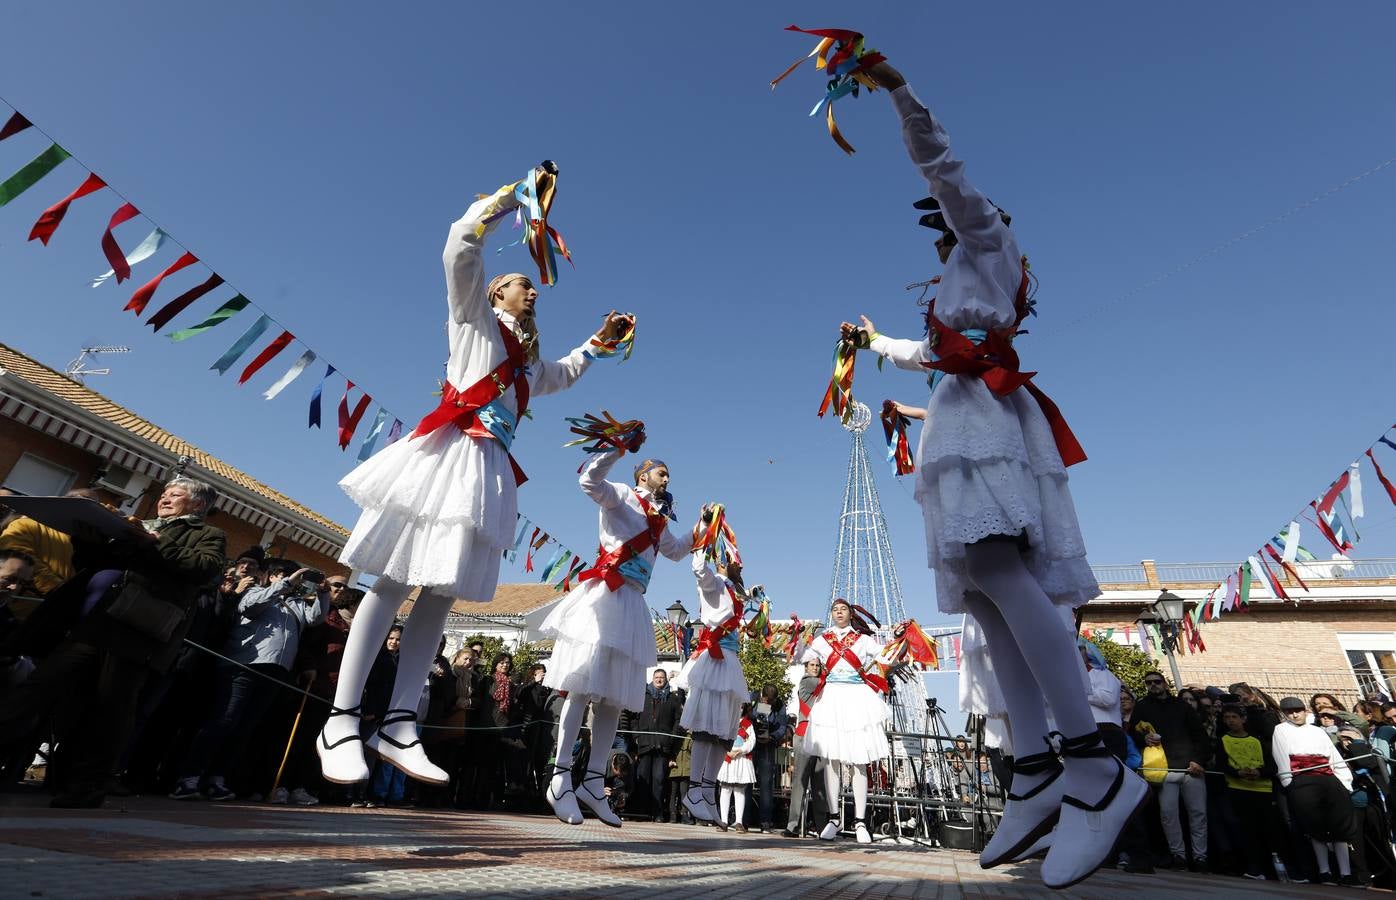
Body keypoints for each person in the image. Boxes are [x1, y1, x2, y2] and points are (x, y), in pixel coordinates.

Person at [839, 58, 1141, 887]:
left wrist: (900, 93)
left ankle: (1091, 765)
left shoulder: (988, 239)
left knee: (1005, 576)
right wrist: (876, 346)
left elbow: (944, 168)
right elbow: (936, 351)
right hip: (957, 413)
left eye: (948, 224)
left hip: (983, 419)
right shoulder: (957, 280)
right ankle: (1036, 766)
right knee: (979, 589)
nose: (943, 231)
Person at [318, 162, 634, 787]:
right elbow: (459, 248)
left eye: (531, 287)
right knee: (391, 582)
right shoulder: (474, 324)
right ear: (496, 295)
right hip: (448, 456)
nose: (532, 290)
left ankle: (399, 721)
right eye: (522, 284)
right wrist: (503, 203)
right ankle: (342, 718)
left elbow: (564, 373)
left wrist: (597, 344)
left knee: (439, 592)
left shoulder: (530, 365)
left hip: (487, 470)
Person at [0, 477, 225, 808]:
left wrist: (155, 541)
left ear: (197, 505)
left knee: (111, 712)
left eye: (174, 495)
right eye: (163, 494)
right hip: (92, 624)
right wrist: (89, 539)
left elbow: (205, 568)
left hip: (135, 631)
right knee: (40, 687)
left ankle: (87, 786)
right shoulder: (136, 524)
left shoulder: (207, 535)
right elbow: (98, 564)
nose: (164, 499)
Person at [540, 441, 698, 827]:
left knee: (612, 699)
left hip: (632, 603)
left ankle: (594, 782)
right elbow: (589, 482)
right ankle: (560, 777)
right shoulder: (622, 495)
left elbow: (676, 551)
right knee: (581, 689)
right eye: (662, 473)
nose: (667, 479)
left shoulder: (660, 518)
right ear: (644, 474)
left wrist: (702, 530)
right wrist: (617, 449)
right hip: (606, 596)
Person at [171, 560, 329, 800]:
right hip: (243, 665)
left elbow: (315, 617)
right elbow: (250, 608)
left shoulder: (296, 603)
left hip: (276, 670)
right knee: (224, 720)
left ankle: (218, 778)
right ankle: (189, 776)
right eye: (284, 575)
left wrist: (323, 594)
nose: (293, 581)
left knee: (245, 727)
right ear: (272, 576)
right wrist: (286, 584)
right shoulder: (254, 591)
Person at [799, 598, 891, 845]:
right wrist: (798, 636)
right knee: (831, 760)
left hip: (857, 696)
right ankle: (834, 818)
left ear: (851, 614)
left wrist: (902, 641)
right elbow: (802, 656)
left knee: (859, 761)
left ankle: (860, 821)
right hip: (831, 698)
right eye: (835, 610)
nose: (839, 613)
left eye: (843, 610)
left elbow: (886, 656)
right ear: (832, 615)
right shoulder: (822, 640)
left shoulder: (862, 640)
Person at [676, 548, 752, 824]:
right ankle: (695, 789)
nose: (741, 567)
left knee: (724, 731)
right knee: (707, 727)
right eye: (736, 562)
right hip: (714, 660)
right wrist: (703, 543)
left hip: (730, 660)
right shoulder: (715, 583)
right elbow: (699, 571)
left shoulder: (733, 591)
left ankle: (707, 792)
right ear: (722, 562)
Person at [1273, 696, 1362, 887]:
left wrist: (1344, 780)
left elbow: (1333, 754)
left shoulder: (1318, 731)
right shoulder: (1280, 730)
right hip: (1302, 779)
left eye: (1298, 710)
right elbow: (1280, 755)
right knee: (1314, 826)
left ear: (1305, 711)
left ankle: (1346, 873)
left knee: (1340, 825)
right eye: (1290, 712)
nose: (1295, 714)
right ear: (1284, 714)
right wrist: (1288, 780)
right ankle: (1325, 871)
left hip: (1328, 778)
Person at [1131, 670, 1211, 871]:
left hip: (1190, 768)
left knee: (1198, 813)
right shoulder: (1142, 707)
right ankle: (1178, 855)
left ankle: (1201, 856)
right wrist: (1143, 739)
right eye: (1148, 683)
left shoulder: (1182, 706)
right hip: (1163, 769)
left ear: (1165, 684)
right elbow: (1133, 733)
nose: (1153, 685)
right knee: (1168, 815)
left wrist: (1198, 760)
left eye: (1157, 681)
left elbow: (1200, 735)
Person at [1216, 704, 1284, 880]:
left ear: (1243, 719)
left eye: (1234, 717)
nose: (1230, 721)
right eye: (1227, 718)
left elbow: (1271, 766)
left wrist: (1259, 772)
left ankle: (1274, 867)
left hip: (1262, 789)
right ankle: (1254, 866)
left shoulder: (1257, 740)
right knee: (1247, 830)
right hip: (1238, 788)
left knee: (1268, 829)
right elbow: (1222, 765)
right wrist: (1236, 773)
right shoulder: (1223, 740)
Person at [628, 668, 683, 822]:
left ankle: (658, 813)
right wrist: (636, 736)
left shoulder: (672, 698)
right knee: (643, 778)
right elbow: (633, 718)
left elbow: (678, 721)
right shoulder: (642, 696)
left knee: (659, 780)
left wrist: (670, 739)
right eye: (656, 677)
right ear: (652, 679)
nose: (659, 680)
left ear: (666, 680)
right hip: (645, 743)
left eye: (662, 678)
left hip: (662, 746)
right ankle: (642, 812)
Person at [782, 657, 825, 838]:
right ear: (806, 668)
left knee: (820, 784)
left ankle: (823, 827)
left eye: (817, 665)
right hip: (806, 732)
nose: (815, 668)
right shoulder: (808, 681)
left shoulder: (823, 683)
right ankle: (793, 825)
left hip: (820, 735)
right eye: (812, 665)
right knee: (800, 781)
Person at [751, 682, 790, 832]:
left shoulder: (780, 705)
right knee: (746, 781)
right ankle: (743, 819)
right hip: (751, 743)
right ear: (763, 695)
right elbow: (750, 716)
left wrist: (772, 737)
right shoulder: (753, 696)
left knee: (766, 785)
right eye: (768, 700)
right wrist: (761, 707)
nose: (771, 703)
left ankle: (765, 822)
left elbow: (782, 726)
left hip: (768, 745)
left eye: (772, 701)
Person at [716, 704, 757, 833]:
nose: (738, 708)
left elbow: (751, 741)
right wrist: (727, 751)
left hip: (741, 759)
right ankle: (723, 821)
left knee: (739, 791)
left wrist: (741, 750)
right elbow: (719, 738)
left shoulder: (748, 724)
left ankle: (739, 821)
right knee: (726, 789)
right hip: (728, 758)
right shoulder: (725, 722)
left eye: (741, 706)